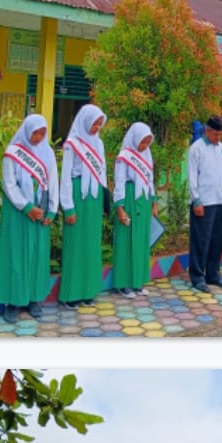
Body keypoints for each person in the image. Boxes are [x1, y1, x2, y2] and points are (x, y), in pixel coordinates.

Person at [0, 113, 58, 324]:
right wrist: (27, 207)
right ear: (26, 131)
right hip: (18, 212)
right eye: (35, 133)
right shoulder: (13, 153)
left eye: (42, 133)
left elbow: (53, 181)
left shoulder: (47, 153)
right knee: (16, 255)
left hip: (40, 212)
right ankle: (12, 302)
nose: (38, 137)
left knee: (37, 256)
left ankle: (34, 299)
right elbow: (9, 184)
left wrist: (51, 210)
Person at [59, 103, 108, 306]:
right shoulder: (72, 144)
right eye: (94, 124)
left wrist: (105, 204)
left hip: (95, 198)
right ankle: (71, 294)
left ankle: (89, 291)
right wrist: (68, 206)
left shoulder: (99, 144)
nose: (96, 128)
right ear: (85, 120)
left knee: (91, 245)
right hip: (78, 196)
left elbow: (102, 173)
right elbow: (66, 177)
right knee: (75, 245)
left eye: (99, 124)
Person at [187, 114, 222, 291]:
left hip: (219, 200)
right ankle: (197, 277)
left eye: (221, 135)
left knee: (216, 240)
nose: (218, 138)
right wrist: (196, 200)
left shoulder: (221, 148)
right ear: (207, 131)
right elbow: (192, 176)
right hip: (203, 202)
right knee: (201, 240)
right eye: (215, 134)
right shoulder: (196, 149)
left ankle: (213, 273)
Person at [112, 122, 158, 296]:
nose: (145, 145)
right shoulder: (124, 156)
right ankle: (124, 284)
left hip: (144, 200)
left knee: (141, 241)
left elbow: (150, 180)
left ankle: (138, 281)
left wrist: (154, 202)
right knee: (126, 241)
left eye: (148, 142)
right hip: (130, 199)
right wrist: (120, 207)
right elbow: (119, 182)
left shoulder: (147, 154)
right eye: (142, 142)